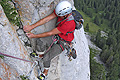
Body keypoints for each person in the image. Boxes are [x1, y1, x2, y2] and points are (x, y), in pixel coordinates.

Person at [23, 1, 76, 80]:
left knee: (47, 57)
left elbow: (50, 33)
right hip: (57, 36)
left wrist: (34, 36)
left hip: (64, 42)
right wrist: (31, 27)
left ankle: (45, 72)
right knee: (41, 41)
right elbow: (46, 19)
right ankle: (40, 55)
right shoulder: (61, 12)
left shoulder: (69, 24)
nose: (58, 16)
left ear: (66, 15)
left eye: (60, 16)